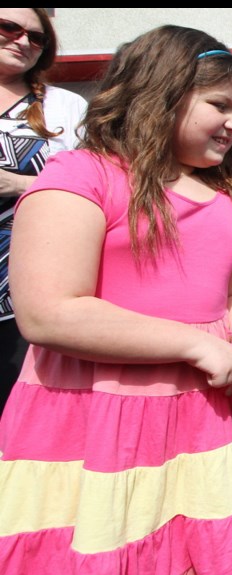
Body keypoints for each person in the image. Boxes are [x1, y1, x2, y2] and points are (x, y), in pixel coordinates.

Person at [0, 25, 232, 575]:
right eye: (219, 105)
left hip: (196, 421)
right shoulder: (81, 177)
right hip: (100, 421)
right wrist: (194, 343)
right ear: (159, 92)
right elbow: (48, 309)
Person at [1, 8, 87, 413]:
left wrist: (19, 185)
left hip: (28, 291)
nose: (23, 42)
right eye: (9, 28)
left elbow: (98, 188)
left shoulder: (64, 107)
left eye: (36, 38)